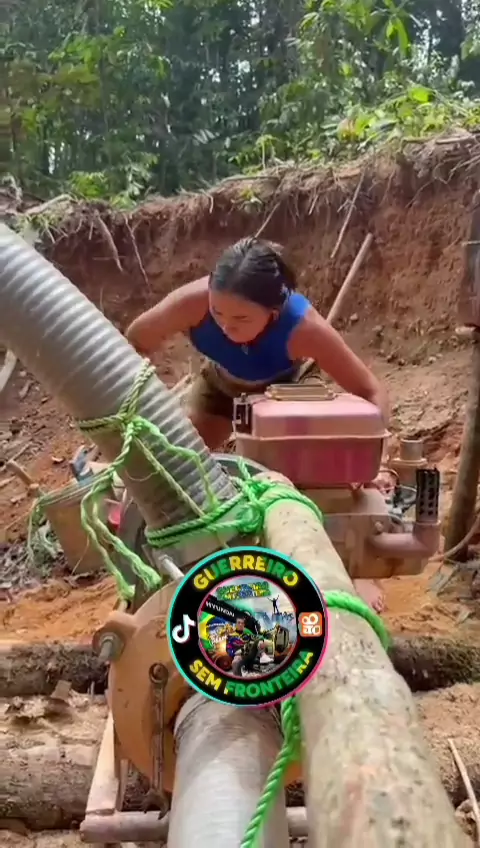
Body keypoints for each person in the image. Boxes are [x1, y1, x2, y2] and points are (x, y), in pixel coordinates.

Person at [126, 237, 389, 612]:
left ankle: (355, 567)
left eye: (241, 319)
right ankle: (199, 559)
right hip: (221, 384)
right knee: (182, 464)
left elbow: (370, 390)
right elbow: (135, 340)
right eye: (218, 314)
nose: (225, 326)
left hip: (288, 392)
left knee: (311, 482)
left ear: (274, 312)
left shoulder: (304, 328)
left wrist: (373, 462)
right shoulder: (193, 302)